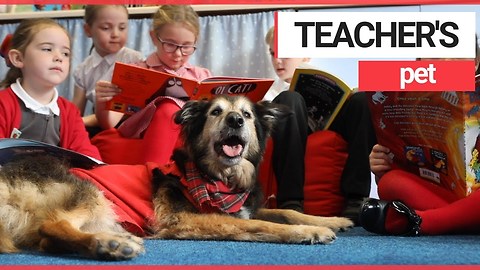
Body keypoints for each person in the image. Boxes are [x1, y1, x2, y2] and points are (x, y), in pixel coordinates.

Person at [360, 40, 480, 235]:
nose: (446, 61)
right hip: (443, 193)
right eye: (435, 55)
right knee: (391, 182)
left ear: (475, 62)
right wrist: (381, 166)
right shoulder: (408, 100)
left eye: (457, 54)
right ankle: (462, 218)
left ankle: (421, 221)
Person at [264, 27, 377, 220]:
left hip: (328, 125)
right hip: (291, 132)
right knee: (290, 99)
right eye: (273, 53)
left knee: (361, 100)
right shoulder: (271, 93)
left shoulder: (325, 80)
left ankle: (356, 199)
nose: (277, 60)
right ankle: (291, 202)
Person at [94, 5, 211, 165]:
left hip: (189, 143)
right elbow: (109, 123)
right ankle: (154, 176)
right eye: (170, 44)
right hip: (146, 144)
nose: (178, 54)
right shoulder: (136, 71)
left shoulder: (202, 76)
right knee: (168, 108)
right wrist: (102, 100)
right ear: (154, 37)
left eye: (186, 46)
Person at [0, 18, 101, 160]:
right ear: (18, 58)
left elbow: (88, 158)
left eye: (65, 53)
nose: (59, 57)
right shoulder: (3, 104)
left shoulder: (70, 112)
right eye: (47, 49)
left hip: (57, 180)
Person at [72, 5, 143, 137]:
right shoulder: (83, 70)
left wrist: (82, 121)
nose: (115, 34)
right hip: (99, 129)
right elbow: (75, 112)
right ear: (88, 30)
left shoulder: (135, 60)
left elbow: (131, 111)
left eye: (122, 28)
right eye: (106, 28)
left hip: (129, 129)